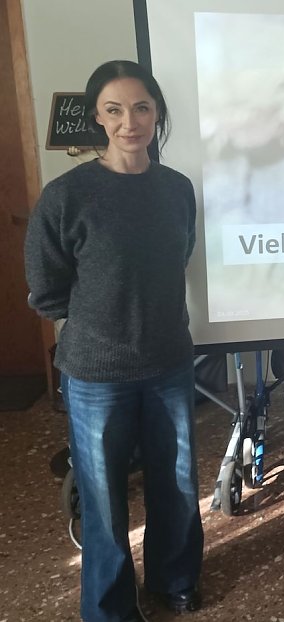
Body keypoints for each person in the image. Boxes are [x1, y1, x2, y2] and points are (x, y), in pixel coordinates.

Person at [25, 60, 204, 621]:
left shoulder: (176, 189)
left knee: (175, 486)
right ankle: (109, 608)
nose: (131, 122)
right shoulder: (67, 196)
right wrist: (100, 325)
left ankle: (174, 580)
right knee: (102, 501)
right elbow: (46, 287)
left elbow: (180, 255)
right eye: (115, 109)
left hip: (170, 364)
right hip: (96, 375)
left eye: (142, 107)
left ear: (157, 113)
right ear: (98, 119)